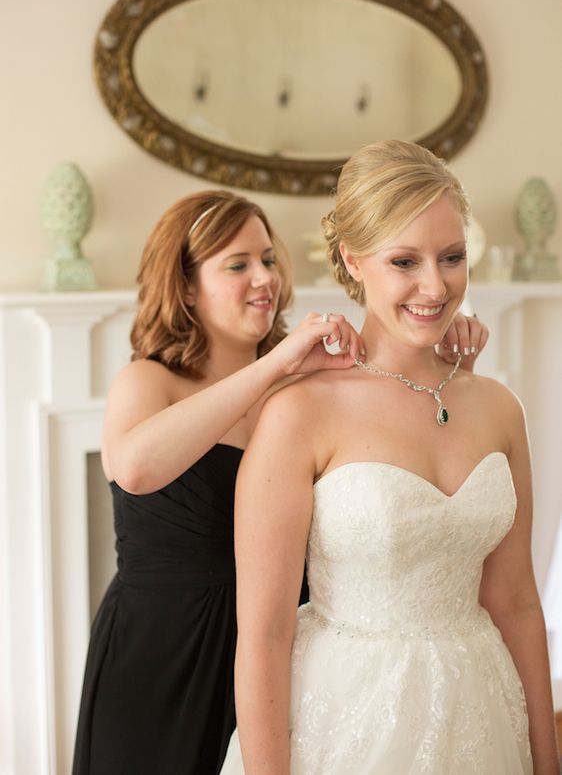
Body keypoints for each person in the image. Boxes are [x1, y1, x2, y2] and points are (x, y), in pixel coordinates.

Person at [71, 188, 486, 775]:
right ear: (186, 285)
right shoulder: (148, 379)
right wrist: (274, 366)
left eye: (267, 258)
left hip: (278, 647)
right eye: (237, 264)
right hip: (162, 650)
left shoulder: (305, 388)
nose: (264, 277)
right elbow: (136, 470)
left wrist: (447, 352)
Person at [222, 141, 559, 774]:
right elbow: (264, 637)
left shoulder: (498, 408)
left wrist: (548, 759)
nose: (436, 286)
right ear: (353, 258)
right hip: (349, 719)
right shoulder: (300, 412)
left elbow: (515, 600)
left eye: (453, 257)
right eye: (405, 260)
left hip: (482, 711)